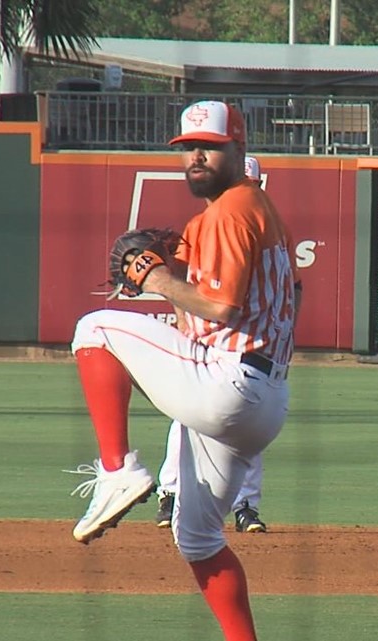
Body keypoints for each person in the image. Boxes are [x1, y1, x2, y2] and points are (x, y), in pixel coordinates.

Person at [66, 101, 298, 641]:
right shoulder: (257, 211)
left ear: (238, 150)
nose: (197, 156)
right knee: (197, 539)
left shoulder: (232, 211)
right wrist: (174, 263)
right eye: (189, 148)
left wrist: (155, 280)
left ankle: (118, 470)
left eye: (210, 147)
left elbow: (220, 308)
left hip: (228, 383)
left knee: (93, 329)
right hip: (264, 402)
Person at [155, 154, 269, 535]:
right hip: (204, 338)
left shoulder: (264, 227)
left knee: (243, 425)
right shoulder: (202, 227)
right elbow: (178, 274)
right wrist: (184, 320)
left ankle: (245, 506)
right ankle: (170, 493)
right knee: (185, 416)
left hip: (242, 344)